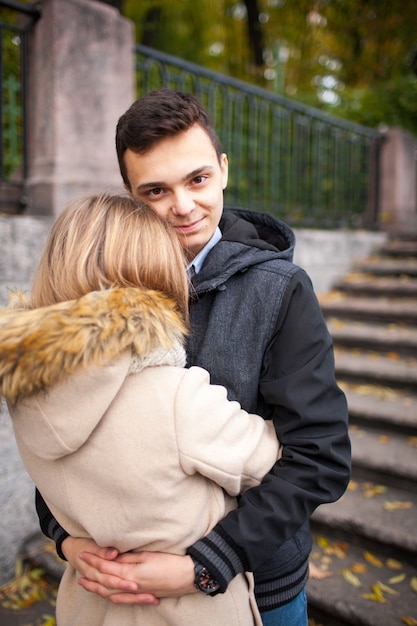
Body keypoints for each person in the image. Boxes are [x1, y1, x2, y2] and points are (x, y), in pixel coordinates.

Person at [35, 89, 351, 626]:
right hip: (114, 588)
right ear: (129, 194)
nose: (183, 206)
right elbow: (63, 426)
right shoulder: (99, 284)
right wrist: (66, 538)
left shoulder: (281, 290)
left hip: (257, 584)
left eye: (197, 179)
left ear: (223, 169)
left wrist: (206, 563)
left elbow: (320, 457)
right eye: (156, 190)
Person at [0, 193, 281, 626]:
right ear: (157, 271)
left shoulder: (25, 396)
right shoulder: (176, 397)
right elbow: (274, 460)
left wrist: (66, 542)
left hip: (88, 605)